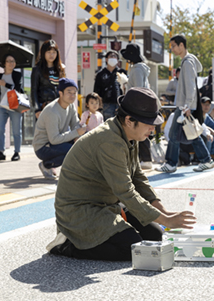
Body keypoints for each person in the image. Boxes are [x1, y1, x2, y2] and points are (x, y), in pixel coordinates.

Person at [45, 87, 196, 261]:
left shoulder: (129, 134)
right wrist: (166, 221)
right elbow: (125, 191)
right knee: (132, 248)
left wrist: (164, 213)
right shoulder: (109, 141)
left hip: (104, 204)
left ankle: (97, 237)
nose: (152, 129)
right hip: (80, 210)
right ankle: (66, 245)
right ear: (130, 120)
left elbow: (137, 177)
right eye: (149, 123)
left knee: (154, 236)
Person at [155, 34, 214, 173]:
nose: (173, 49)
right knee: (192, 133)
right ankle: (206, 160)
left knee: (177, 134)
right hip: (187, 105)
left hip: (185, 106)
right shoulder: (189, 61)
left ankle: (171, 163)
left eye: (174, 46)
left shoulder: (187, 63)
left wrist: (186, 106)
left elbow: (191, 86)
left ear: (182, 45)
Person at [33, 78, 86, 180]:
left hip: (56, 141)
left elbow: (76, 124)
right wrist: (76, 133)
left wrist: (77, 136)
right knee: (72, 151)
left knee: (83, 142)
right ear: (60, 93)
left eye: (74, 93)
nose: (72, 96)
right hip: (43, 147)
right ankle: (46, 165)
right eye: (69, 92)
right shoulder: (52, 111)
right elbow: (54, 139)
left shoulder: (71, 106)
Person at [120, 43, 153, 170]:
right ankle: (143, 159)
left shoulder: (137, 69)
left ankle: (145, 159)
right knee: (138, 130)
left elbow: (138, 88)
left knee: (138, 130)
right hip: (140, 103)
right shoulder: (141, 68)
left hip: (136, 104)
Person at [0, 54, 23, 161]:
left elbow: (18, 90)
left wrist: (6, 85)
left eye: (13, 61)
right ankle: (0, 151)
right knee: (0, 129)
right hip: (2, 106)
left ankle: (17, 152)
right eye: (8, 61)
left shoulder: (17, 75)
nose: (11, 63)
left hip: (14, 106)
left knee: (16, 130)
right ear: (4, 63)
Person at [31, 39, 65, 119]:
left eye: (54, 52)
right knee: (44, 131)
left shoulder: (60, 69)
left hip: (59, 106)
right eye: (48, 52)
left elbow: (63, 88)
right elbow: (33, 91)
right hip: (43, 106)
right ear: (43, 53)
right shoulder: (37, 70)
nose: (51, 55)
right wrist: (37, 109)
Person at [93, 50, 123, 121]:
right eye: (111, 56)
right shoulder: (101, 74)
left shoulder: (122, 73)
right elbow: (96, 91)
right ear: (106, 59)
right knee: (108, 126)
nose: (113, 58)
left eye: (115, 56)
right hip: (106, 104)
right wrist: (98, 107)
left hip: (120, 105)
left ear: (118, 60)